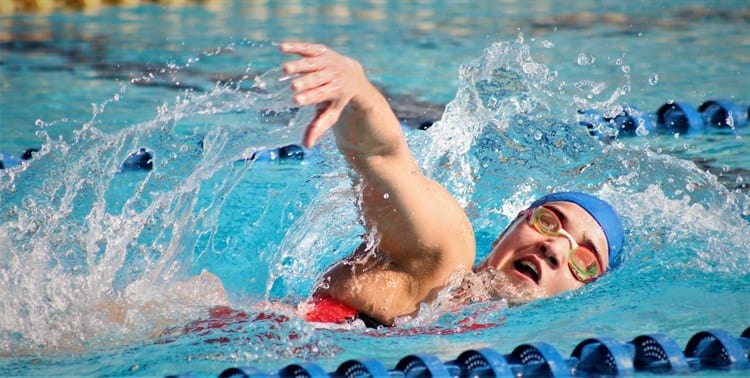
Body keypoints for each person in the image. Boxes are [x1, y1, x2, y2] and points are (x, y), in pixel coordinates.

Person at [279, 42, 624, 327]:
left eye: (584, 260)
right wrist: (359, 94)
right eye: (548, 222)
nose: (555, 249)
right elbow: (384, 158)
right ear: (511, 227)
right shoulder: (445, 259)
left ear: (586, 293)